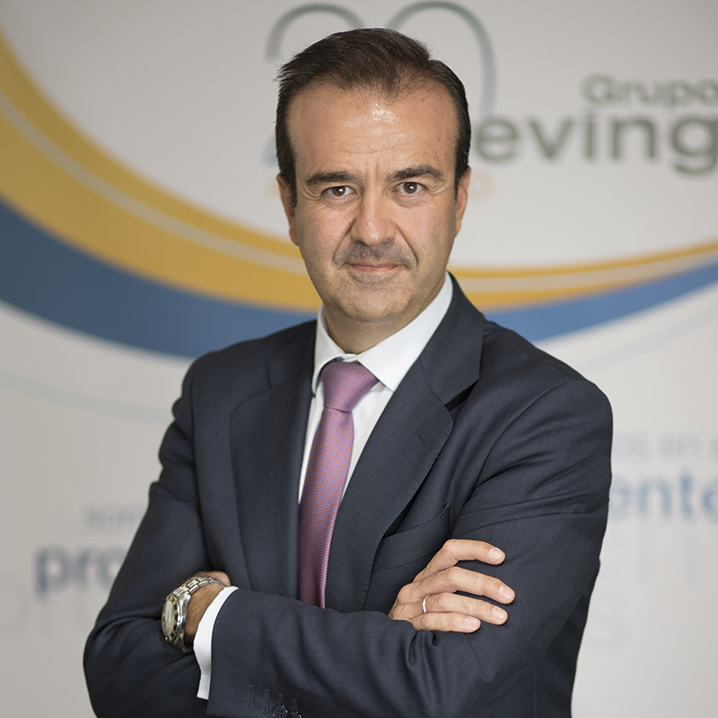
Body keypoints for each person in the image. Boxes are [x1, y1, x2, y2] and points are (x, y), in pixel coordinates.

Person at [84, 28, 612, 718]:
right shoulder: (220, 392)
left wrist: (210, 614)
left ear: (458, 199)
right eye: (337, 188)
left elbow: (439, 689)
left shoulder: (545, 413)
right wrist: (380, 647)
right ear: (289, 205)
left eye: (410, 186)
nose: (372, 229)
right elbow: (120, 669)